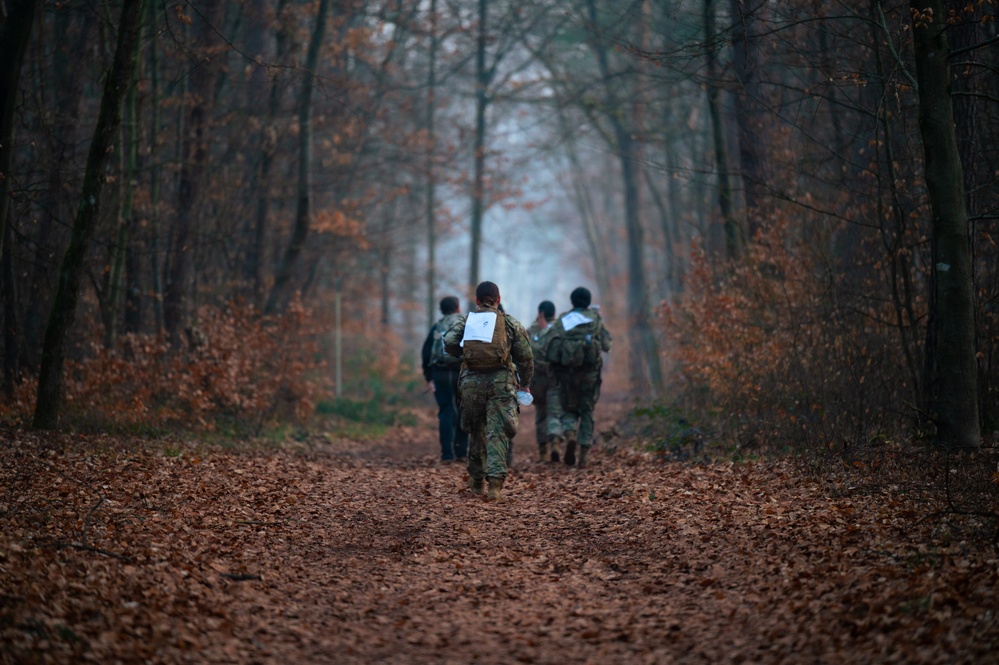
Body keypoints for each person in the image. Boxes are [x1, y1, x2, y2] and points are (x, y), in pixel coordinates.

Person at [442, 281, 533, 500]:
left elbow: (449, 341)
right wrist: (525, 382)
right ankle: (494, 484)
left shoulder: (468, 320)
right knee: (497, 431)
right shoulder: (509, 322)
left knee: (476, 430)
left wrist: (464, 353)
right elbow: (526, 356)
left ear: (476, 300)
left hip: (471, 382)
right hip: (501, 381)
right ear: (498, 299)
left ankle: (475, 481)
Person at [542, 286, 612, 468]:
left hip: (566, 375)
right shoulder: (595, 319)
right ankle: (583, 455)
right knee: (587, 412)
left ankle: (570, 434)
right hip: (589, 374)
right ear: (588, 302)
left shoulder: (564, 319)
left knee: (568, 410)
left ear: (572, 301)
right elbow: (606, 345)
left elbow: (548, 344)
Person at [421, 296, 469, 462]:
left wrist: (428, 377)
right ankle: (462, 451)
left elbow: (426, 353)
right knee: (464, 410)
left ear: (442, 310)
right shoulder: (466, 323)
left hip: (440, 372)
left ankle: (447, 454)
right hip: (462, 372)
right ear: (458, 308)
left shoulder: (437, 327)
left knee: (446, 411)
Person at [526, 300, 557, 462]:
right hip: (556, 378)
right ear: (554, 313)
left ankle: (543, 451)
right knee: (555, 412)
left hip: (537, 379)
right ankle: (556, 445)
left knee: (541, 414)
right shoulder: (560, 328)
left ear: (540, 314)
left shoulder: (531, 331)